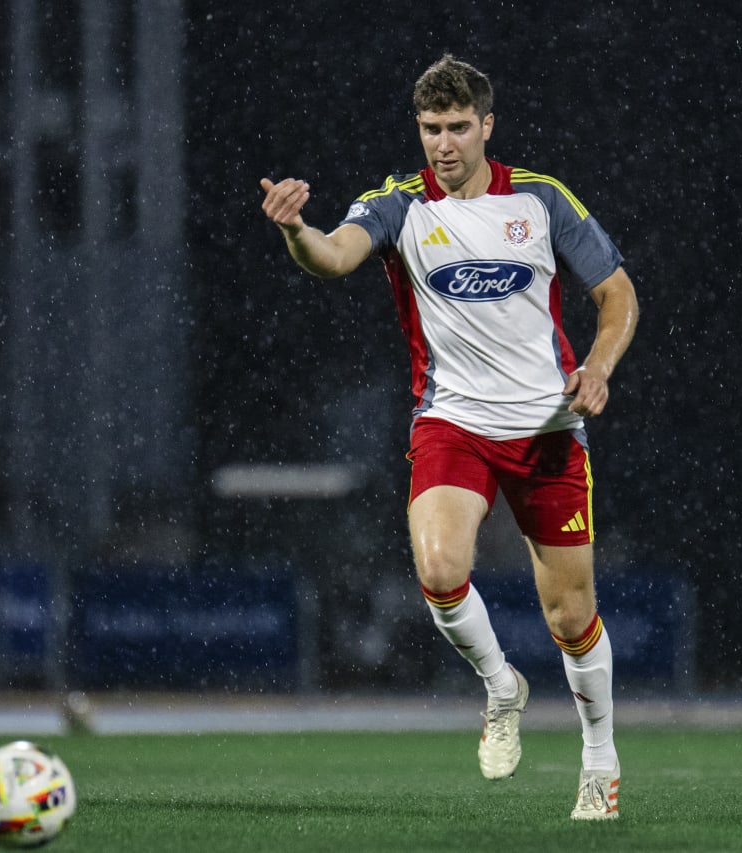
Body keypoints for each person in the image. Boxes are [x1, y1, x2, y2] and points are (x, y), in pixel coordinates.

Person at [259, 54, 637, 821]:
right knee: (437, 565)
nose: (444, 143)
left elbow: (617, 293)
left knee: (569, 613)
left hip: (547, 426)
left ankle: (600, 754)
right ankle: (501, 685)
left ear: (487, 126)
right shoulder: (397, 206)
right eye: (431, 128)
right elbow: (333, 258)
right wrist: (297, 229)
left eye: (459, 126)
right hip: (453, 421)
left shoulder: (540, 198)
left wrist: (597, 368)